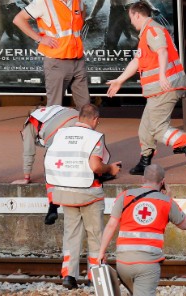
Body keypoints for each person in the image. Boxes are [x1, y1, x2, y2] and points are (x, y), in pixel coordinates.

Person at [106, 1, 186, 176]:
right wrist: (120, 80)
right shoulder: (146, 33)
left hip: (164, 88)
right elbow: (137, 61)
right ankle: (145, 162)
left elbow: (162, 52)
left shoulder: (152, 30)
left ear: (137, 15)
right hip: (160, 89)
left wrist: (161, 76)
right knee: (145, 129)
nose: (130, 22)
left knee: (158, 129)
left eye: (131, 18)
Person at [44, 103, 122, 289]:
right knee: (95, 235)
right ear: (96, 119)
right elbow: (95, 166)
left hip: (65, 192)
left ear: (79, 117)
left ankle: (69, 276)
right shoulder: (94, 137)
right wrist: (111, 168)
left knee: (71, 235)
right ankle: (94, 275)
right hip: (89, 194)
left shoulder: (61, 134)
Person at [97, 164, 186, 295]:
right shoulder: (166, 202)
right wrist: (169, 197)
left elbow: (111, 225)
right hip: (148, 265)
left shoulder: (125, 196)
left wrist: (101, 252)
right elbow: (185, 225)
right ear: (162, 182)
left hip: (123, 263)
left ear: (142, 179)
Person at [13, 0, 91, 109]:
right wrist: (39, 39)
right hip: (56, 62)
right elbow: (18, 19)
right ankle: (52, 132)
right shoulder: (43, 1)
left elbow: (81, 12)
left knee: (86, 108)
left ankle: (82, 130)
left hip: (77, 60)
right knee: (54, 108)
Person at [15, 105, 79, 226]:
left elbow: (29, 151)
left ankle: (53, 206)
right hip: (77, 116)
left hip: (56, 128)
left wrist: (26, 176)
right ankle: (100, 171)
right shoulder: (51, 111)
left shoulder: (30, 122)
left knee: (50, 166)